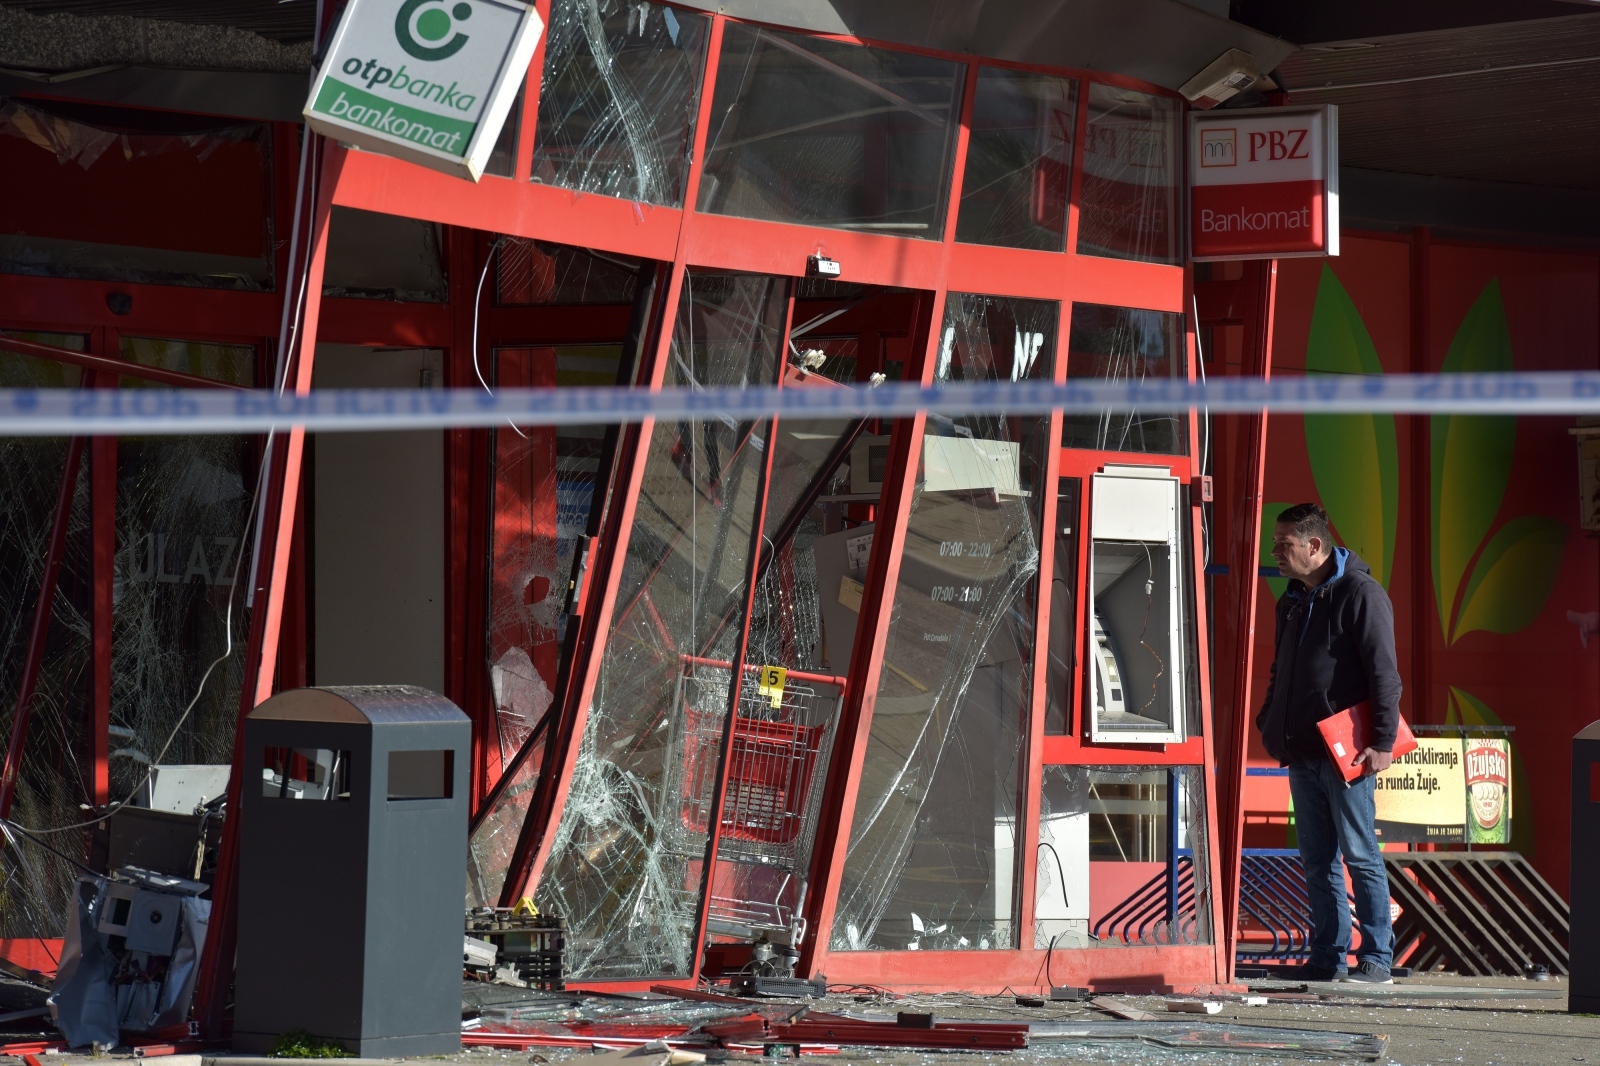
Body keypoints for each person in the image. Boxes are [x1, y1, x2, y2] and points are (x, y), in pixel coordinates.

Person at [1257, 503, 1402, 984]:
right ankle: (1327, 958)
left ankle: (1378, 958)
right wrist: (1269, 717)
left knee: (1360, 854)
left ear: (1314, 545)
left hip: (1350, 753)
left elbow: (1385, 674)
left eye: (1284, 543)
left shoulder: (1361, 593)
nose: (1275, 551)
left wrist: (1382, 741)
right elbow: (1281, 669)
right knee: (1317, 861)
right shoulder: (1292, 600)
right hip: (1301, 751)